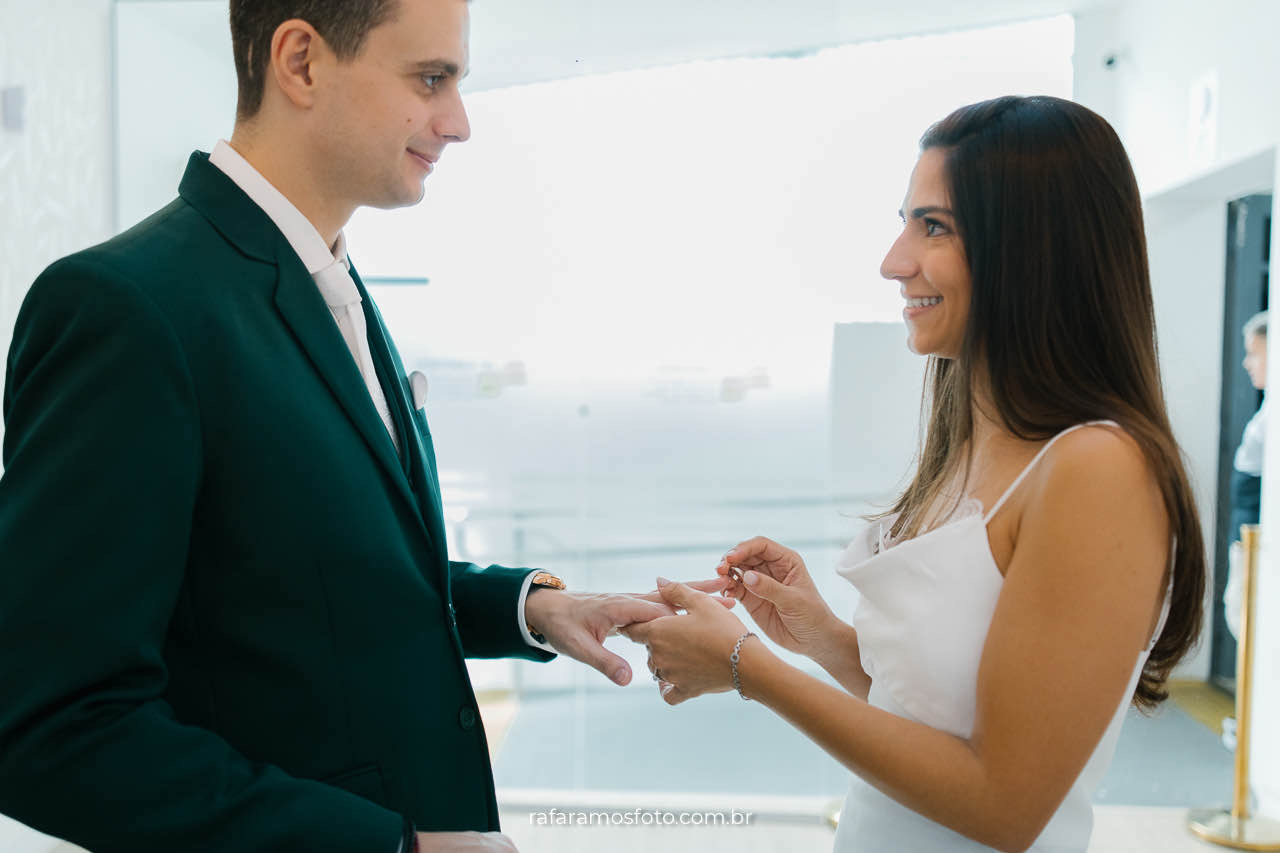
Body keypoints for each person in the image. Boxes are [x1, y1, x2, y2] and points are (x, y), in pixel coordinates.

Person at [0, 2, 729, 851]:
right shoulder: (128, 308)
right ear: (302, 62)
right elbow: (47, 727)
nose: (457, 123)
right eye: (431, 79)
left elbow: (304, 584)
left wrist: (529, 607)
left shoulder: (325, 280)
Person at [624, 96, 1205, 852]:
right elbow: (935, 726)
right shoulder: (974, 438)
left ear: (1030, 248)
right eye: (906, 222)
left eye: (933, 227)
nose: (893, 261)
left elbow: (1004, 803)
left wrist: (747, 667)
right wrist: (824, 638)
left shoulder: (1100, 469)